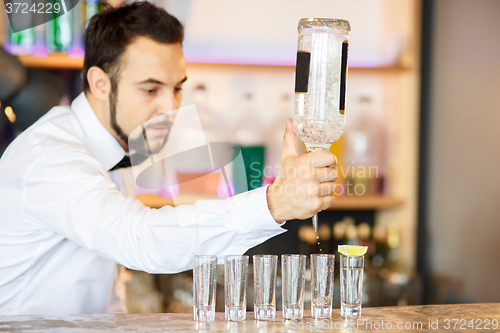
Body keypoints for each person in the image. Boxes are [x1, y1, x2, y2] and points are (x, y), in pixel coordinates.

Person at [0, 2, 338, 315]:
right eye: (150, 89)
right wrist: (274, 203)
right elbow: (140, 238)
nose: (171, 108)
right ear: (100, 84)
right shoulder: (51, 158)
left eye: (177, 88)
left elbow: (108, 286)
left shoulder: (121, 148)